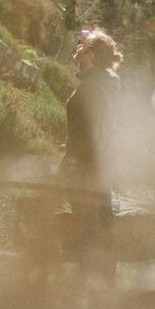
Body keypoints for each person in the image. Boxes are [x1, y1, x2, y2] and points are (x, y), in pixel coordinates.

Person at [59, 27, 123, 274]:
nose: (77, 48)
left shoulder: (92, 88)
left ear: (93, 57)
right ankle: (103, 289)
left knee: (90, 231)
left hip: (87, 169)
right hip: (100, 167)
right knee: (101, 228)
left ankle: (94, 290)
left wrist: (69, 165)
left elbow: (87, 135)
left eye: (83, 47)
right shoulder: (104, 82)